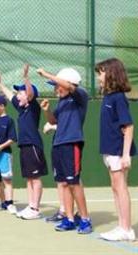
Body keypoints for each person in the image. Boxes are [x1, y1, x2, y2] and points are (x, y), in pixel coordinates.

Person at [37, 67, 92, 234]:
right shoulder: (61, 102)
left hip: (71, 144)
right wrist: (46, 111)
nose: (55, 88)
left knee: (74, 183)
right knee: (64, 184)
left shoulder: (80, 96)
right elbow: (54, 121)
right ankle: (69, 218)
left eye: (56, 85)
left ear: (68, 84)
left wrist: (47, 74)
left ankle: (84, 219)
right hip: (58, 145)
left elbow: (68, 86)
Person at [0, 64, 47, 220]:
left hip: (33, 145)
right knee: (29, 178)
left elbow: (30, 92)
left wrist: (26, 76)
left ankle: (35, 208)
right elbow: (9, 95)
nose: (18, 94)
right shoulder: (21, 108)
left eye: (21, 92)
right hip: (24, 145)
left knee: (35, 178)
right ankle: (31, 206)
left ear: (28, 96)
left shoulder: (33, 106)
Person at [95, 58, 136, 241]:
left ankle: (126, 229)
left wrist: (126, 154)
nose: (98, 77)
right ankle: (121, 226)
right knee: (115, 187)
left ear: (111, 73)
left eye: (101, 73)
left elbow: (128, 126)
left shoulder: (118, 98)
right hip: (110, 150)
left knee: (120, 187)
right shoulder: (107, 97)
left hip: (119, 151)